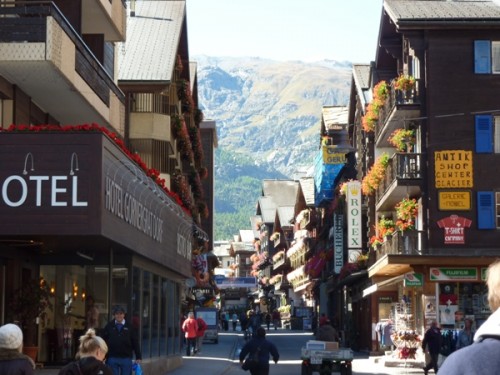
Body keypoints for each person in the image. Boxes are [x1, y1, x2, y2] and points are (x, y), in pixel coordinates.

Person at [438, 260, 500, 374]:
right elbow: (458, 344)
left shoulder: (458, 365)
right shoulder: (459, 362)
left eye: (469, 322)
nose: (468, 324)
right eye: (467, 322)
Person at [101, 305, 142, 375]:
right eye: (117, 314)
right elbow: (103, 341)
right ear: (114, 315)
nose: (119, 315)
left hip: (126, 358)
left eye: (121, 313)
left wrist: (138, 356)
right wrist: (102, 356)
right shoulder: (109, 326)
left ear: (124, 314)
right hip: (112, 357)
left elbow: (135, 341)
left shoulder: (130, 326)